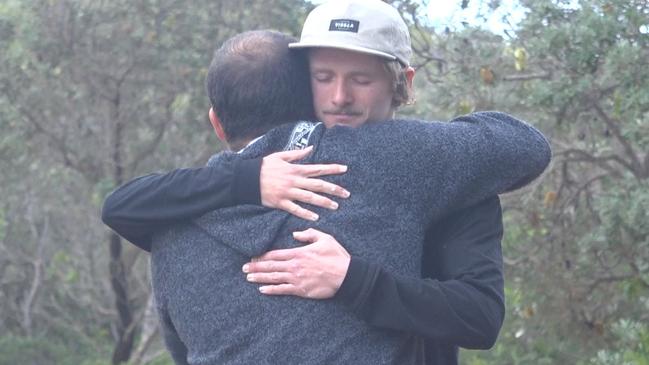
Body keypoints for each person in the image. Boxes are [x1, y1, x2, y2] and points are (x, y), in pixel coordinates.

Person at [102, 1, 551, 364]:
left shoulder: (433, 163)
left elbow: (480, 318)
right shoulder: (198, 199)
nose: (339, 97)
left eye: (360, 79)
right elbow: (118, 206)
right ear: (302, 87)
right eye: (323, 78)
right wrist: (247, 178)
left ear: (401, 82)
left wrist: (352, 278)